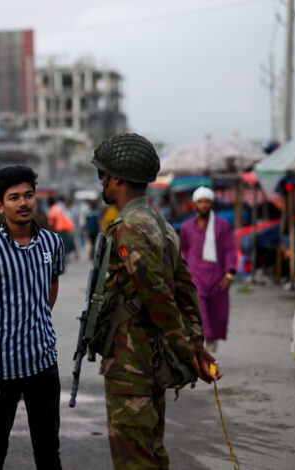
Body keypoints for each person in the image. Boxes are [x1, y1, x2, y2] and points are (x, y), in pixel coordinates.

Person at [91, 133, 221, 469]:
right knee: (153, 450)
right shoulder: (161, 226)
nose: (101, 182)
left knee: (134, 457)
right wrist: (194, 342)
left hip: (131, 360)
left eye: (102, 175)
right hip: (150, 357)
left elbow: (159, 298)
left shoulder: (130, 228)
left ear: (117, 179)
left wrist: (188, 351)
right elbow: (186, 290)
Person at [0, 165, 65, 470]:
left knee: (48, 448)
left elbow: (52, 286)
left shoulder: (53, 243)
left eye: (28, 195)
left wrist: (32, 317)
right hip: (2, 367)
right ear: (0, 205)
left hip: (43, 362)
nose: (23, 203)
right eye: (13, 198)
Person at [179, 186, 237, 353]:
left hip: (217, 276)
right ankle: (203, 346)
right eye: (200, 202)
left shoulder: (223, 226)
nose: (203, 205)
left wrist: (229, 274)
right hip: (195, 276)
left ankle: (211, 340)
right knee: (199, 311)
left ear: (212, 203)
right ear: (195, 204)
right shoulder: (186, 227)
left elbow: (229, 250)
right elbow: (183, 251)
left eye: (206, 201)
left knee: (216, 314)